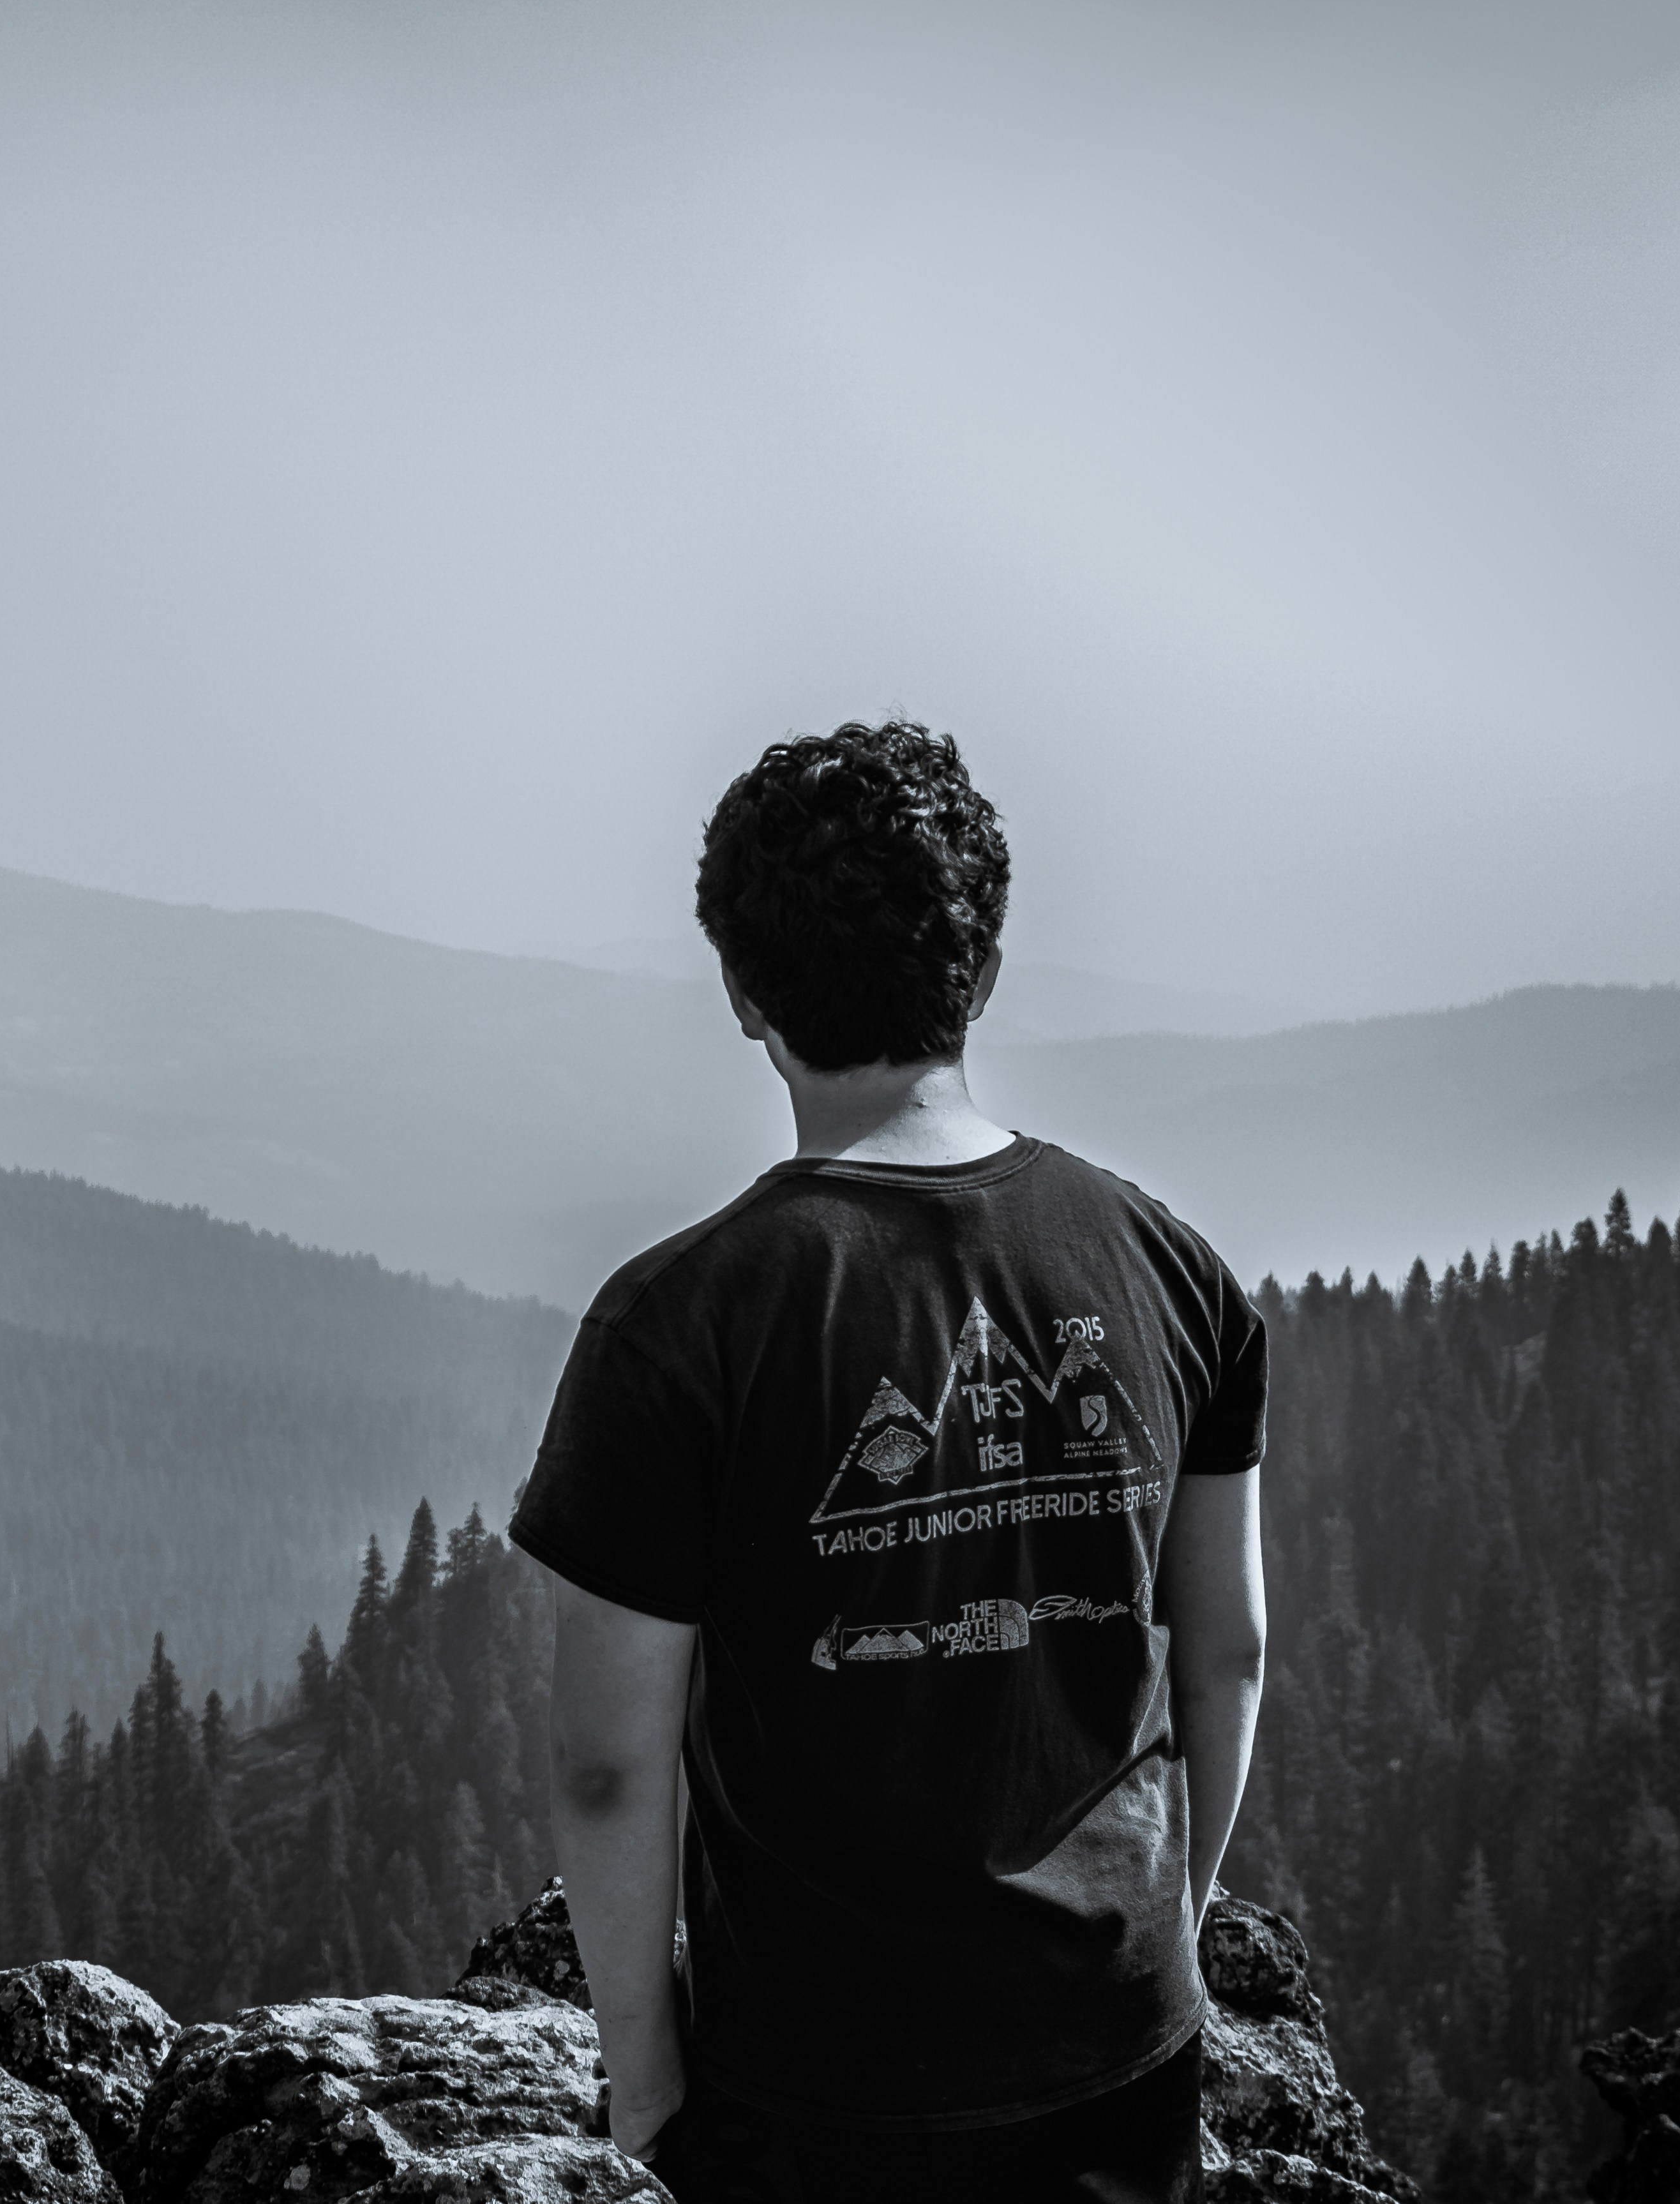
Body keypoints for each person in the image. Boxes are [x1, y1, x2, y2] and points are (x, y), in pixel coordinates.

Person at [511, 723, 1267, 2204]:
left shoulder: (678, 1325)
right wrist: (1168, 1933)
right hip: (1119, 2052)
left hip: (817, 2086)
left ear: (740, 990)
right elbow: (1224, 1652)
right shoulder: (1172, 1271)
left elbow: (605, 1767)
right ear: (980, 972)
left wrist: (645, 2081)